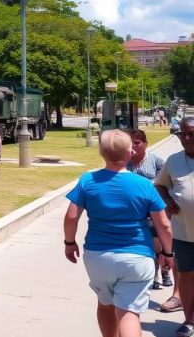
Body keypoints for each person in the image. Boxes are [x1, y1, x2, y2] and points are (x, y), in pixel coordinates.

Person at [64, 129, 173, 337]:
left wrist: (69, 242)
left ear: (101, 152)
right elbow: (164, 225)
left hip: (98, 256)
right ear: (130, 151)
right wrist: (167, 254)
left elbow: (71, 217)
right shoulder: (144, 185)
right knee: (129, 313)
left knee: (105, 305)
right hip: (137, 256)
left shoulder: (87, 180)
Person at [155, 117, 194, 337]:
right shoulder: (173, 161)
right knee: (187, 277)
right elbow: (160, 184)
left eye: (191, 133)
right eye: (182, 134)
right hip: (184, 232)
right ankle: (189, 320)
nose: (186, 139)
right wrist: (167, 201)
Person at [127, 129, 175, 297]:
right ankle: (153, 276)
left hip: (153, 209)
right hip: (134, 211)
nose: (133, 146)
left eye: (137, 143)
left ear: (145, 144)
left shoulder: (156, 161)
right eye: (130, 143)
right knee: (145, 244)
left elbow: (165, 182)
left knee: (158, 242)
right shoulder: (125, 162)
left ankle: (165, 271)